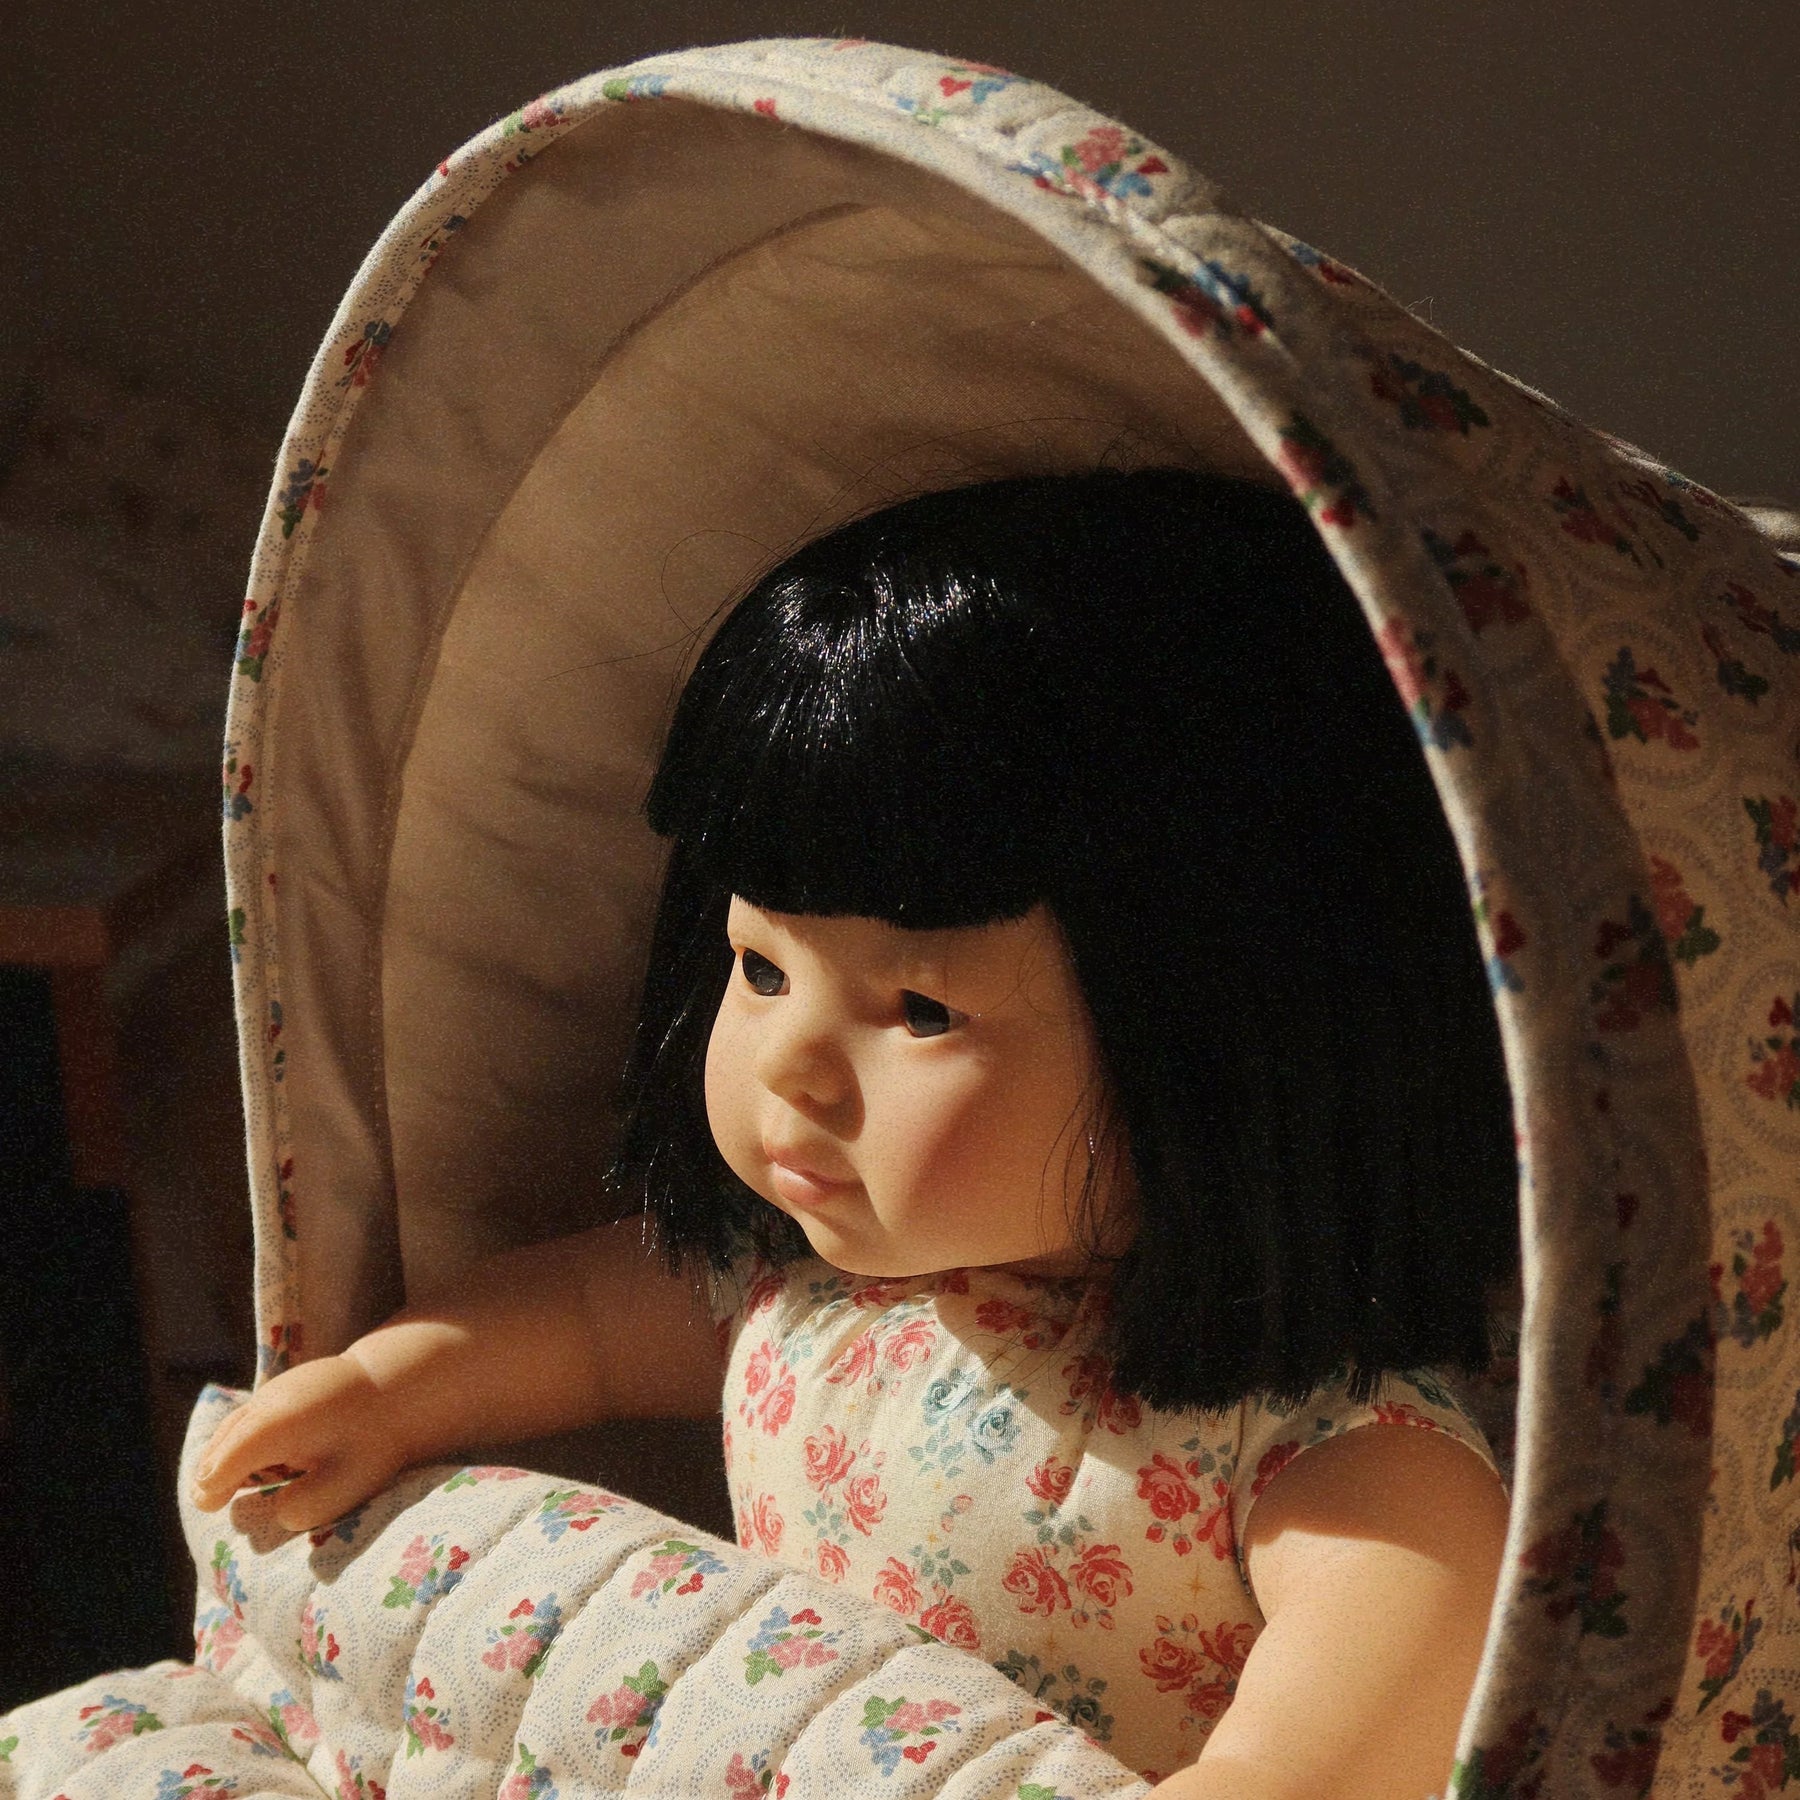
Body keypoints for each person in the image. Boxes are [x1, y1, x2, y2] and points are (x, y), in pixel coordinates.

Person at [193, 467, 1519, 1798]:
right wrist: (390, 1388)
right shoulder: (808, 1298)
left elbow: (1364, 1722)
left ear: (1227, 1035)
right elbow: (583, 1326)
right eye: (761, 969)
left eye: (922, 1009)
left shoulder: (1324, 1445)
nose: (793, 1067)